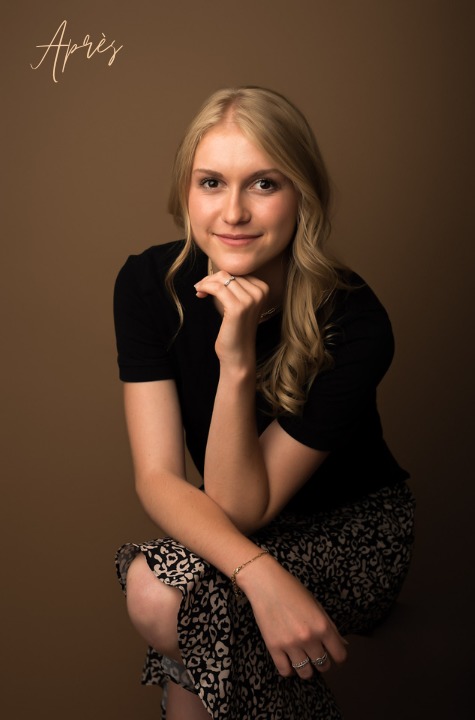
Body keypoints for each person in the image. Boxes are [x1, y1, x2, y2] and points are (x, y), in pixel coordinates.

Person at [113, 86, 415, 720]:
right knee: (163, 594)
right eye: (212, 182)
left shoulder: (354, 319)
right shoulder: (146, 285)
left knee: (168, 599)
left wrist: (238, 358)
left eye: (265, 184)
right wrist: (260, 576)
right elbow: (160, 477)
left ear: (302, 194)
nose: (234, 212)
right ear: (185, 192)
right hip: (239, 532)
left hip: (354, 531)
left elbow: (240, 506)